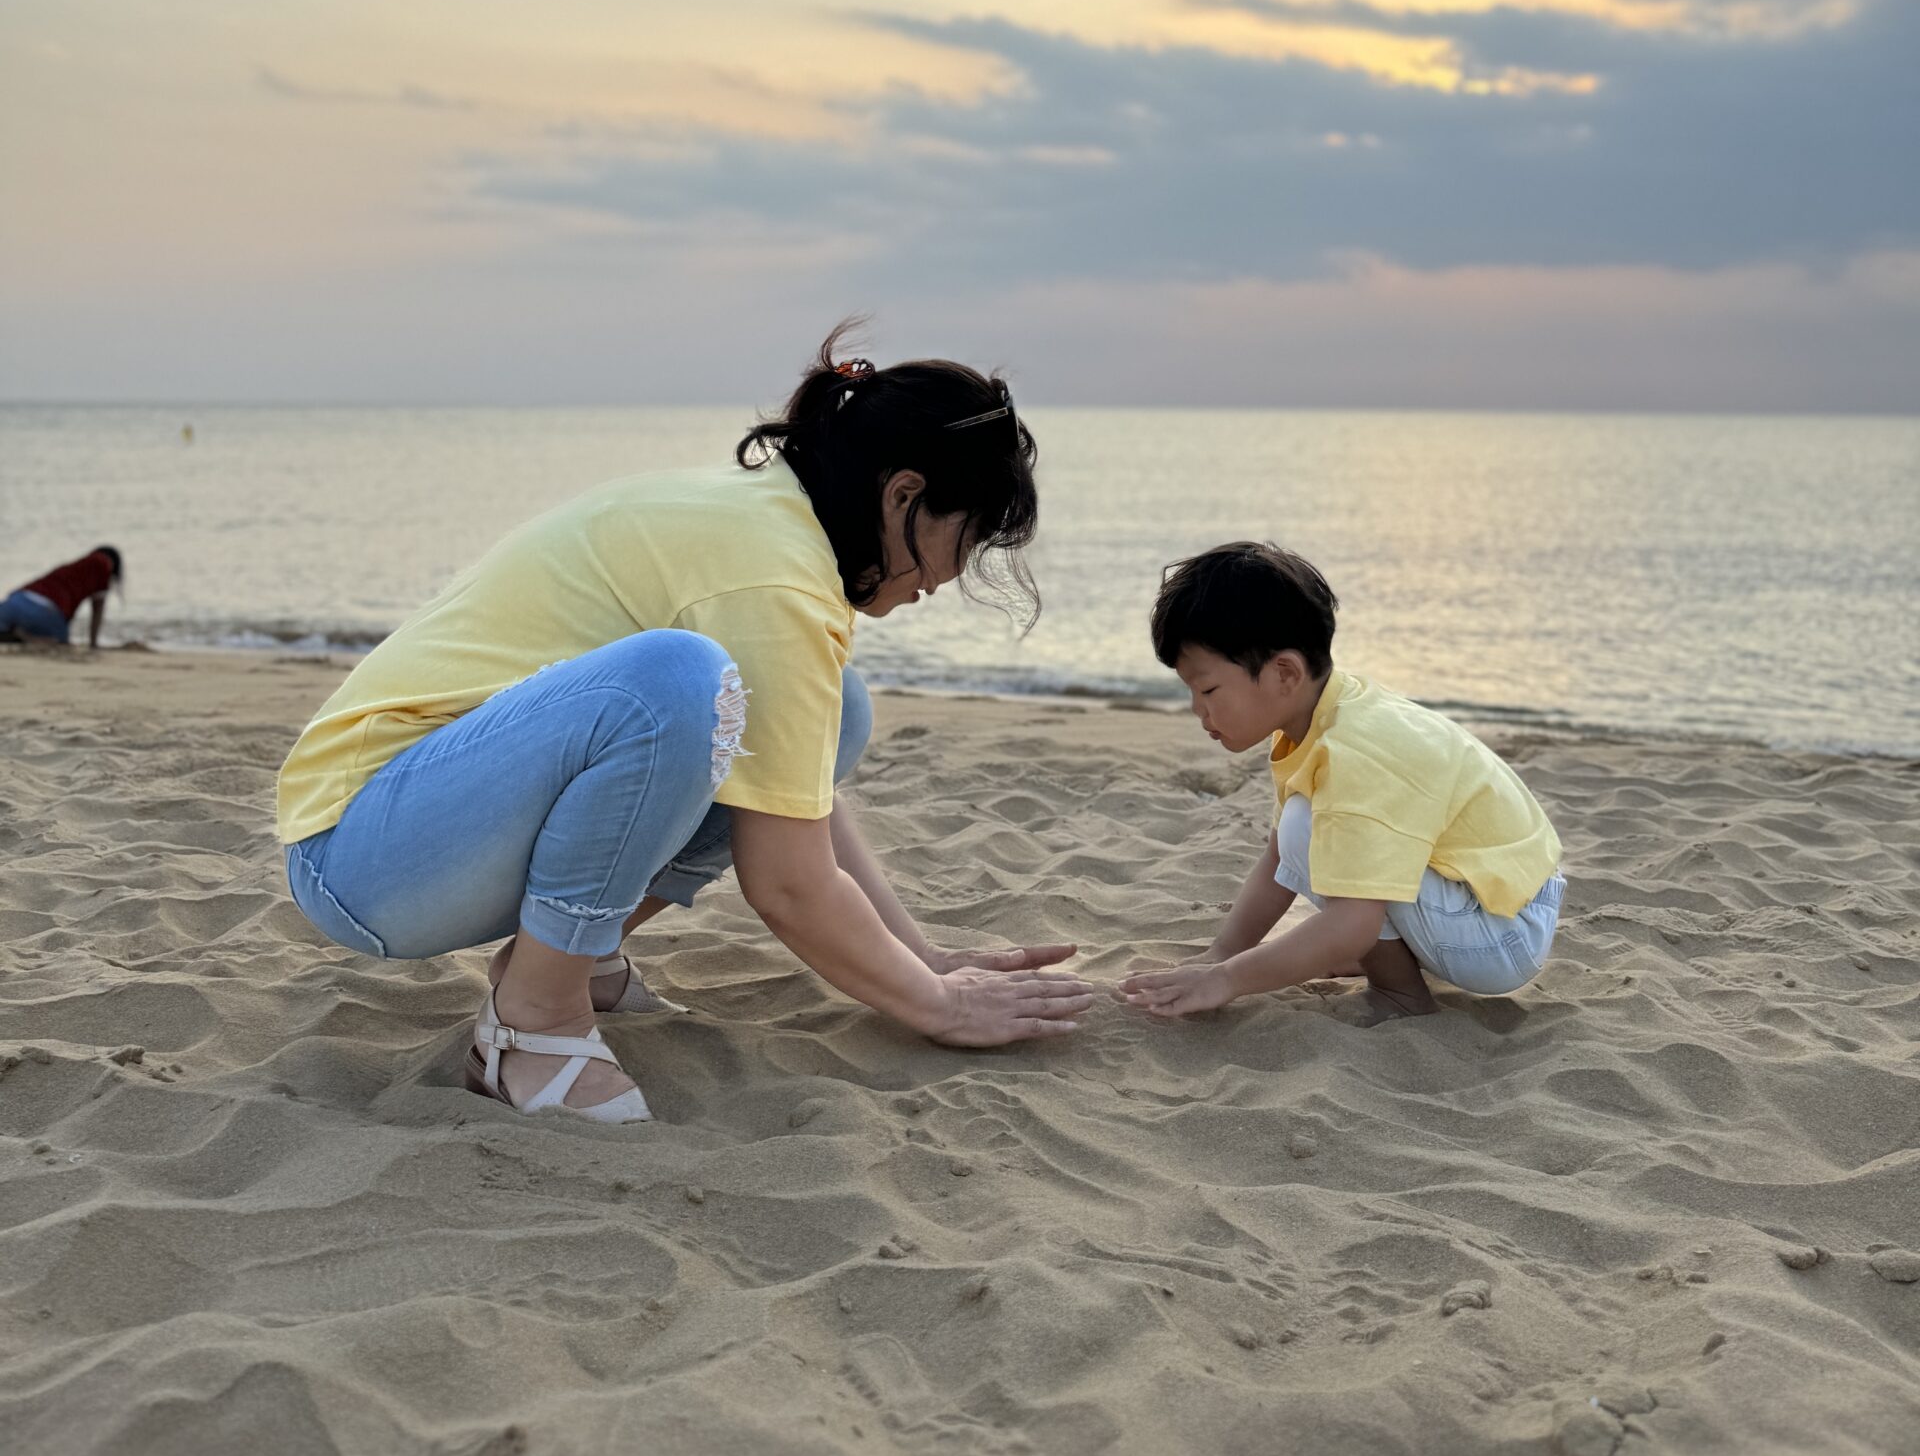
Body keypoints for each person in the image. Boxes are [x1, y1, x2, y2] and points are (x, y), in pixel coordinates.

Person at [277, 332, 1093, 1125]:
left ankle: (562, 958)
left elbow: (795, 803)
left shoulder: (769, 527)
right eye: (970, 537)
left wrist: (921, 957)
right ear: (904, 495)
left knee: (832, 707)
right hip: (362, 853)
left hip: (428, 825)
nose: (953, 576)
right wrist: (940, 1007)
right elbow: (790, 886)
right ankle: (532, 1016)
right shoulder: (773, 573)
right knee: (676, 683)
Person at [1120, 542, 1565, 1023]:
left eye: (1208, 690)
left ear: (1284, 673)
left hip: (1503, 931)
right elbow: (1278, 863)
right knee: (1303, 832)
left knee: (1308, 832)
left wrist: (1227, 981)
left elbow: (1352, 920)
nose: (1197, 709)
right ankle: (1396, 954)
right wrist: (1220, 954)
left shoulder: (1353, 749)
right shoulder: (1324, 716)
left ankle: (1400, 994)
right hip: (1495, 898)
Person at [0, 546, 124, 647]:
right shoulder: (103, 564)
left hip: (19, 598)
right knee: (61, 642)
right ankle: (31, 638)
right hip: (48, 610)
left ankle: (13, 633)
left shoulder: (71, 568)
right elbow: (98, 609)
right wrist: (93, 644)